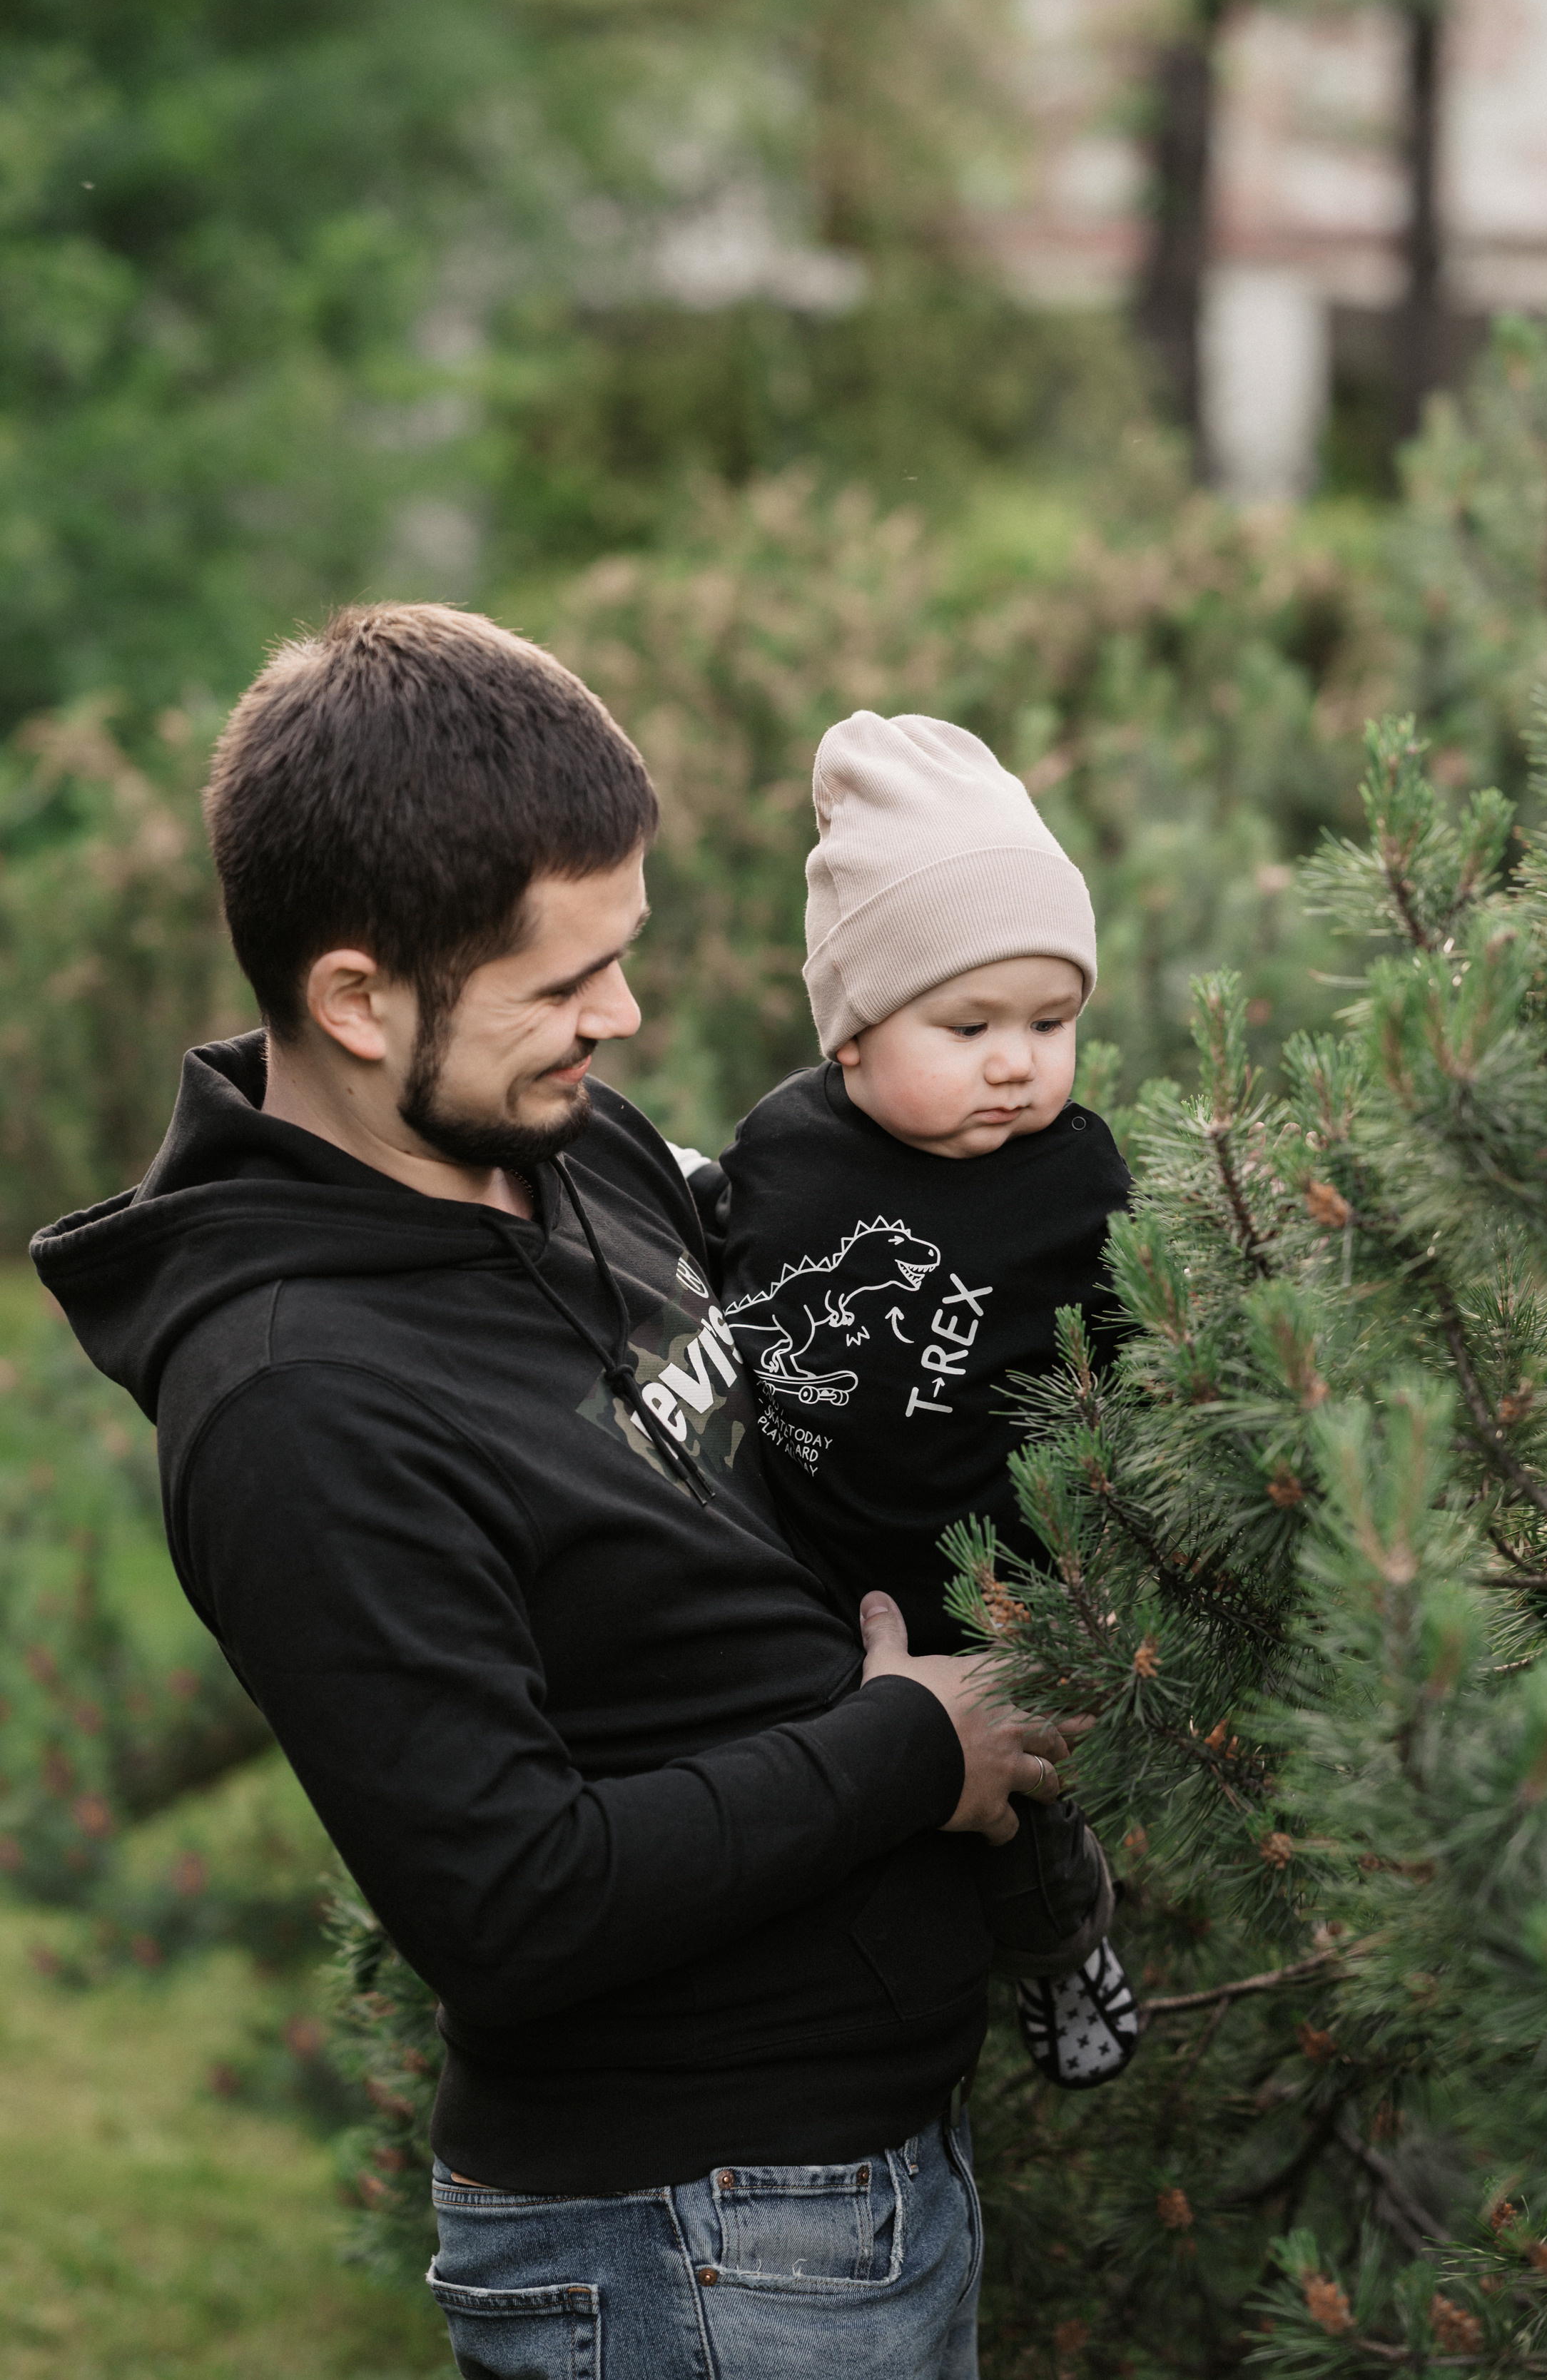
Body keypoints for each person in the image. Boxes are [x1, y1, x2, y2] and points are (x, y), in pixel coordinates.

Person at [31, 607, 1087, 2380]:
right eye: (561, 980)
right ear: (357, 998)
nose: (625, 1015)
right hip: (688, 2240)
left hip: (842, 2183)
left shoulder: (556, 1139)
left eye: (624, 950)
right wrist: (917, 1746)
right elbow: (509, 1905)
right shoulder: (298, 1402)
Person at [706, 711, 1140, 2089]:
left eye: (1049, 1021)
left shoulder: (1072, 1179)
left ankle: (1065, 1944)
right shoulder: (783, 1149)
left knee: (1019, 1814)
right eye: (966, 1026)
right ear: (851, 1034)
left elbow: (1133, 1351)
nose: (1014, 1060)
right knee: (840, 1825)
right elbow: (711, 1267)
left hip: (990, 1573)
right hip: (804, 1568)